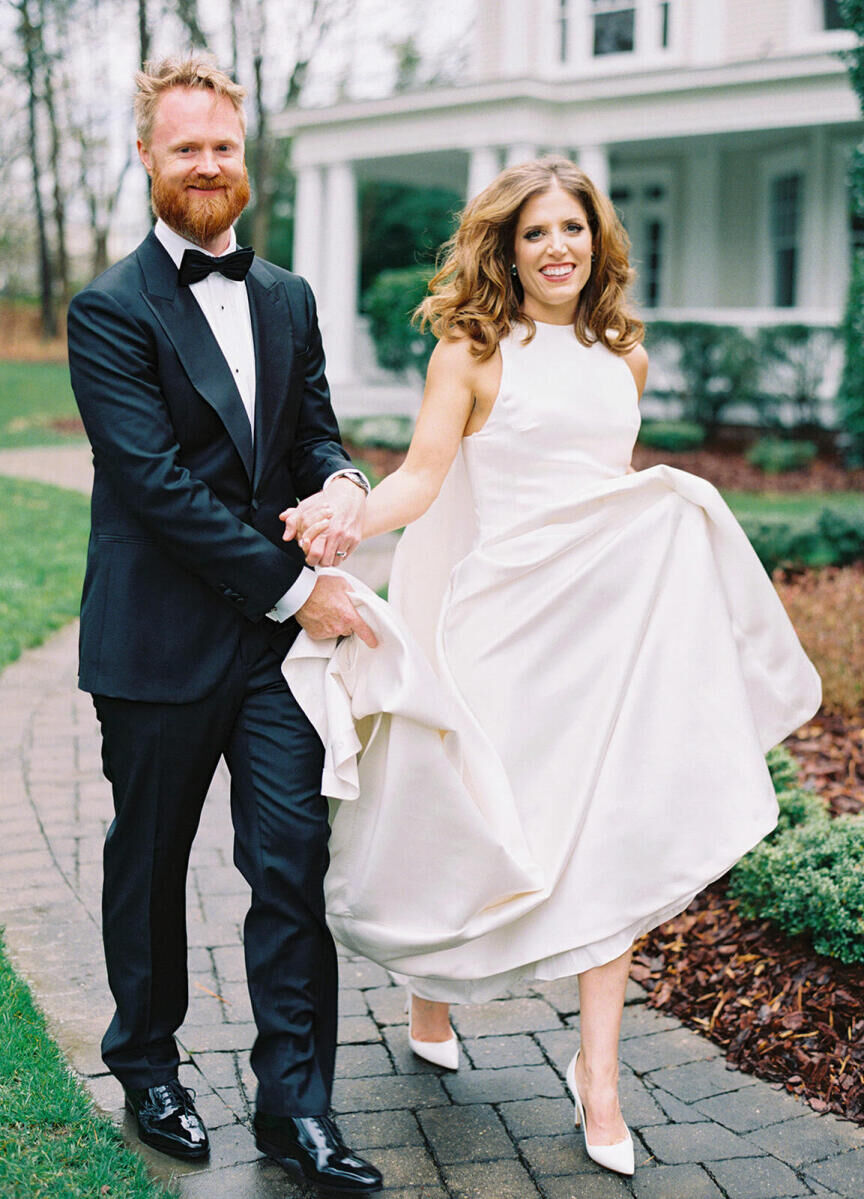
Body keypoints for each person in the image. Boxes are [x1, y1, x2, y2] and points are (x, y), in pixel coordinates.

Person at [280, 156, 821, 1179]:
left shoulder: (627, 357)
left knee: (603, 835)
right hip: (501, 623)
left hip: (600, 635)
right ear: (508, 246)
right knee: (471, 811)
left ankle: (598, 1071)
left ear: (598, 240)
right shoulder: (473, 349)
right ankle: (431, 990)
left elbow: (607, 498)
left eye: (573, 228)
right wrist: (350, 509)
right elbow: (425, 478)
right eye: (536, 232)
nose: (557, 247)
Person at [66, 56, 384, 1195]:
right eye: (186, 146)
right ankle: (147, 1065)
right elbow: (157, 488)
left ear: (246, 160)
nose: (209, 165)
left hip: (271, 656)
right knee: (148, 867)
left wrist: (345, 482)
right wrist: (306, 588)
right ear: (148, 157)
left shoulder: (288, 297)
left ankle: (296, 1108)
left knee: (291, 868)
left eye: (224, 147)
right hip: (156, 639)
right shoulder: (108, 308)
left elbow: (316, 432)